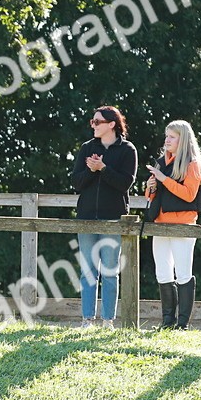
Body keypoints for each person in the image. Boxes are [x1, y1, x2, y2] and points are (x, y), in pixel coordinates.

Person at [71, 106, 137, 328]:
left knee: (110, 271)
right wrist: (91, 170)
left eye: (97, 122)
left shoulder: (128, 150)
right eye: (92, 121)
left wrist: (103, 168)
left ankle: (108, 320)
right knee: (88, 271)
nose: (93, 125)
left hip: (113, 220)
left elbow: (125, 184)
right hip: (86, 218)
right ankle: (86, 319)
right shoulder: (86, 148)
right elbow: (76, 183)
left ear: (112, 124)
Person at [144, 120, 201, 329]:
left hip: (183, 225)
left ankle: (183, 325)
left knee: (183, 273)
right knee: (162, 273)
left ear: (183, 140)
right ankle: (167, 322)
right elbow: (152, 197)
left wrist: (163, 179)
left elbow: (189, 195)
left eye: (172, 136)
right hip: (160, 225)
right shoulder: (161, 162)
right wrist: (151, 186)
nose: (167, 140)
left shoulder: (193, 165)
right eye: (166, 136)